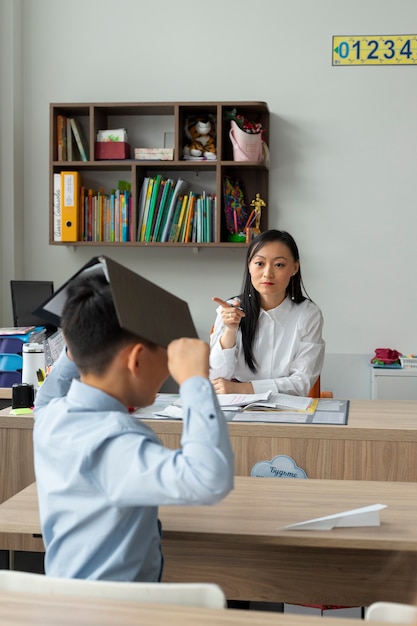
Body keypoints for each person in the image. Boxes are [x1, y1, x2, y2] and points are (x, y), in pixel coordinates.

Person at [33, 271, 234, 582]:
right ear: (137, 359)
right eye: (166, 355)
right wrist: (194, 380)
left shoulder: (51, 418)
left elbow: (45, 399)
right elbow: (208, 479)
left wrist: (77, 349)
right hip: (118, 612)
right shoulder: (116, 440)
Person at [210, 229, 325, 396]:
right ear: (249, 266)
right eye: (259, 263)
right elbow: (216, 378)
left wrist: (243, 388)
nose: (268, 274)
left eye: (279, 265)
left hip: (285, 411)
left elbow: (302, 383)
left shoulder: (308, 314)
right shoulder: (230, 309)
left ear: (294, 268)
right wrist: (230, 330)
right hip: (235, 409)